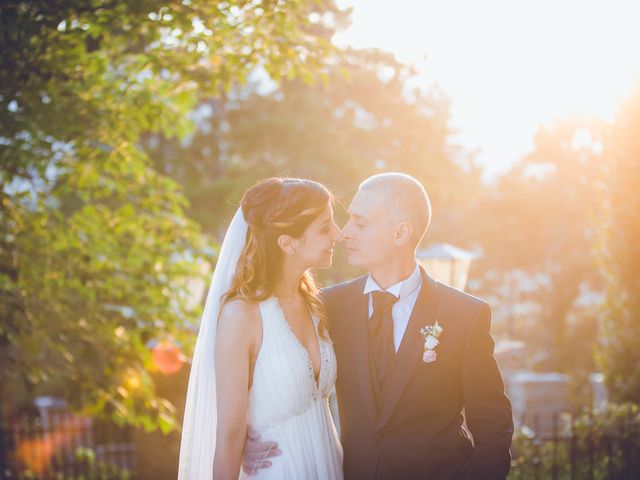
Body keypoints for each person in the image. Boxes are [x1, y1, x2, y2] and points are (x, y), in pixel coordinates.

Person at [245, 172, 514, 479]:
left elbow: (492, 422)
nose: (345, 233)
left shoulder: (465, 315)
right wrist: (244, 435)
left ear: (400, 233)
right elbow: (274, 370)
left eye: (360, 223)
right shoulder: (329, 306)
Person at [178, 177, 344, 479]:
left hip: (327, 465)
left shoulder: (315, 305)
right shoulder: (242, 316)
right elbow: (229, 436)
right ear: (287, 242)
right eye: (324, 228)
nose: (338, 234)